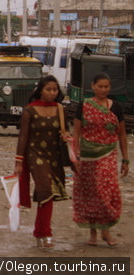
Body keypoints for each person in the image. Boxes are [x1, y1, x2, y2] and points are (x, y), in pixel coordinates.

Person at [72, 73, 129, 247]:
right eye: (100, 86)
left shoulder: (116, 107)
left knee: (106, 189)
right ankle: (93, 232)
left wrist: (126, 159)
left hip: (108, 154)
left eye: (106, 87)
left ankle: (105, 230)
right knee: (90, 193)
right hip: (87, 156)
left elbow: (121, 135)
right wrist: (75, 155)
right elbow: (76, 133)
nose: (103, 90)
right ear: (93, 86)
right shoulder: (84, 106)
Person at [14, 75, 69, 248]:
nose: (52, 93)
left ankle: (40, 231)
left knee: (48, 194)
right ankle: (45, 233)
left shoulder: (60, 109)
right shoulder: (29, 110)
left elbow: (64, 131)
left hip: (53, 155)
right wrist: (19, 161)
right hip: (35, 154)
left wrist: (66, 136)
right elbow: (23, 137)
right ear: (40, 90)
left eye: (55, 90)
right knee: (45, 188)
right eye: (48, 89)